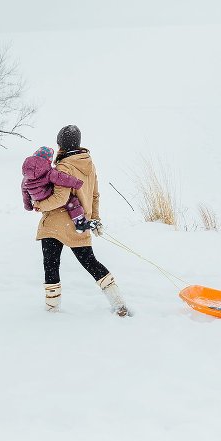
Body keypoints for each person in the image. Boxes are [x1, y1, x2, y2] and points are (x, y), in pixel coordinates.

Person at [33, 125, 130, 316]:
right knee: (91, 262)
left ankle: (52, 310)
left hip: (56, 224)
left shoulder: (63, 167)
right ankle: (118, 303)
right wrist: (95, 219)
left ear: (61, 144)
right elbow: (94, 195)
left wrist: (39, 205)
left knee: (51, 265)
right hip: (79, 223)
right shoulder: (89, 164)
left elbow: (60, 199)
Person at [21, 146, 95, 233]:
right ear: (48, 160)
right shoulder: (49, 172)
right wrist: (76, 183)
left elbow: (24, 192)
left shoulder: (25, 178)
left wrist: (28, 205)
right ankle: (79, 222)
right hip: (47, 193)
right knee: (72, 201)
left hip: (36, 197)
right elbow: (62, 178)